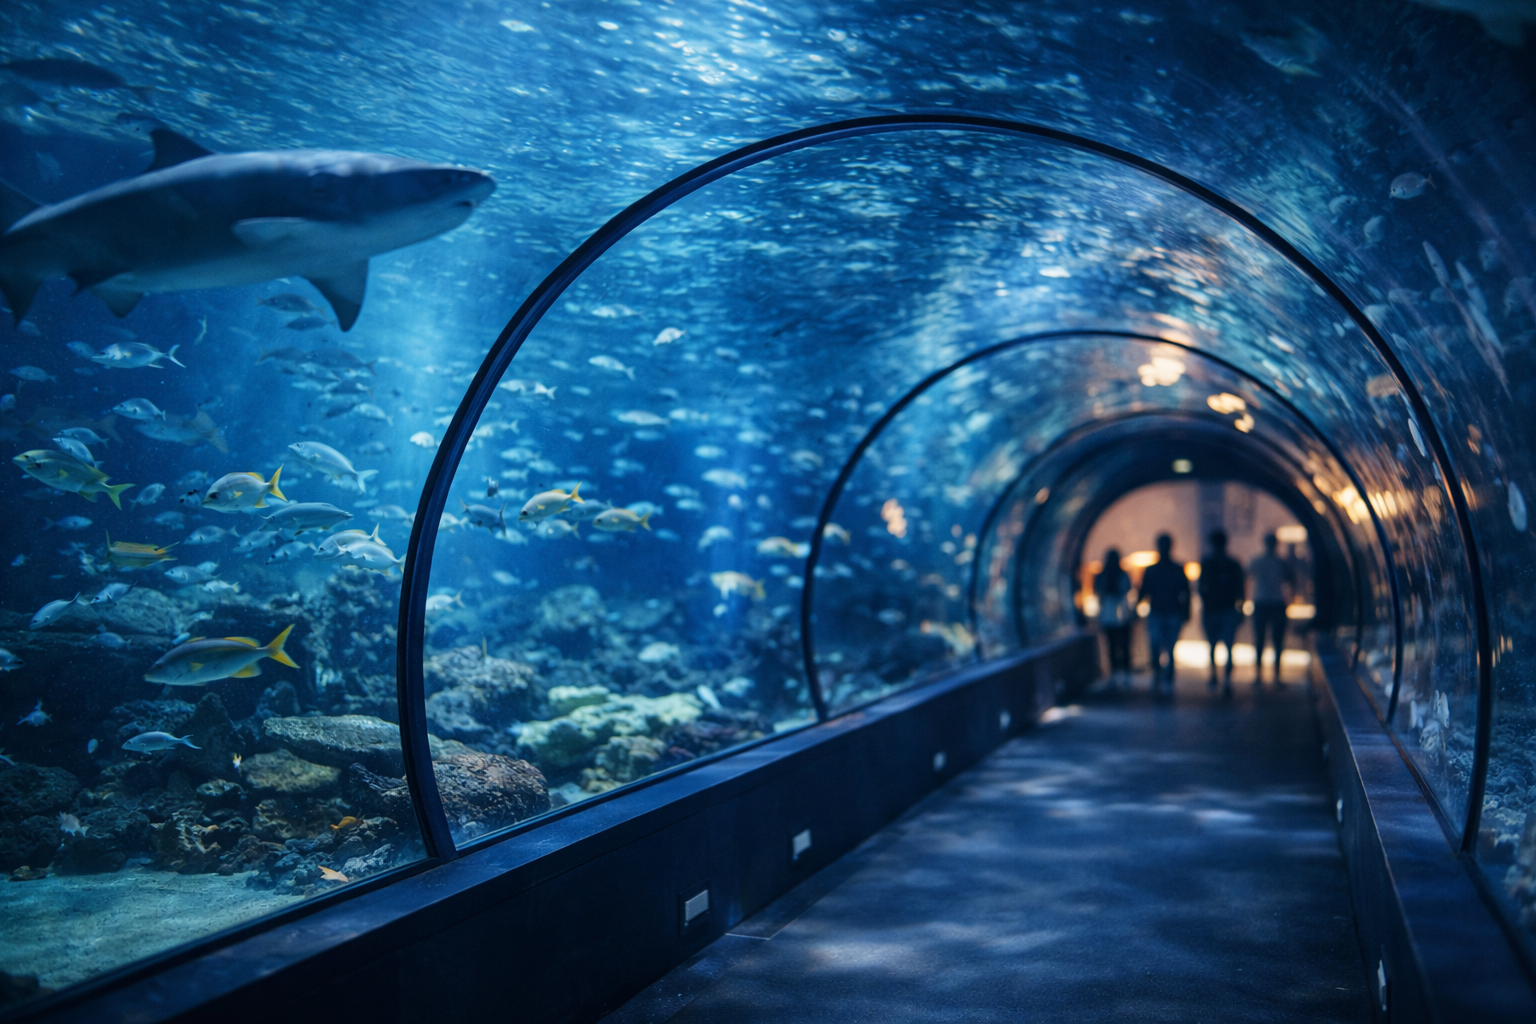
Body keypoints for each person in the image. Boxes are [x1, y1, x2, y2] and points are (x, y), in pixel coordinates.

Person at [1138, 533, 1189, 694]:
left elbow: (1186, 592)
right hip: (1162, 612)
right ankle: (1163, 676)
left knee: (1166, 647)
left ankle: (1164, 677)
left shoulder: (1158, 569)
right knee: (1159, 647)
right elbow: (1144, 591)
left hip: (1166, 612)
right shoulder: (1164, 569)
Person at [1198, 530, 1245, 696]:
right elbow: (1240, 589)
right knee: (1226, 646)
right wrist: (1240, 609)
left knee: (1214, 645)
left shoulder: (1208, 563)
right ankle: (1224, 679)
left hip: (1215, 610)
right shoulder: (1232, 564)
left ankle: (1217, 676)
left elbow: (1201, 587)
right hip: (1226, 609)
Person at [1249, 533, 1293, 685]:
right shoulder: (1280, 562)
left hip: (1262, 602)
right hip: (1275, 602)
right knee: (1276, 641)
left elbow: (1246, 576)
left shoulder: (1257, 561)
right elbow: (1291, 580)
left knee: (1261, 640)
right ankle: (1275, 676)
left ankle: (1260, 676)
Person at [1094, 548, 1133, 687]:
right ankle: (1125, 673)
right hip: (1122, 613)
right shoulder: (1123, 575)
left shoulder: (1101, 576)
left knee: (1111, 645)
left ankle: (1115, 673)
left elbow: (1097, 592)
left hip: (1108, 614)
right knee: (1124, 645)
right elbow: (1128, 589)